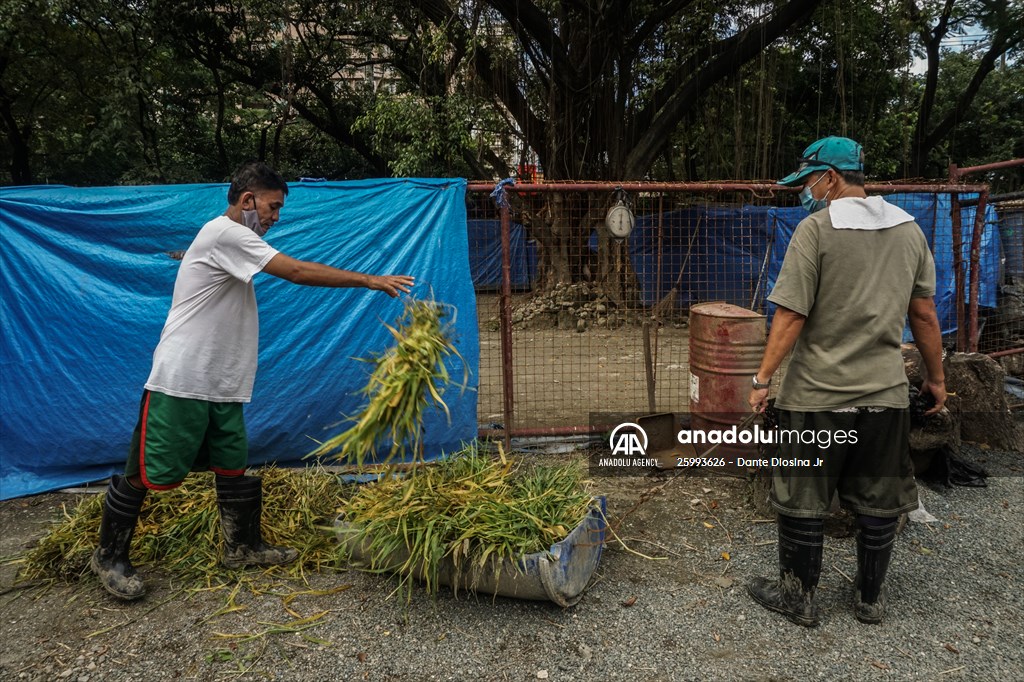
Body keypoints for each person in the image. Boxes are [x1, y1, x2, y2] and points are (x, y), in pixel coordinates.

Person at [91, 162, 414, 600]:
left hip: (222, 384)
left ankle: (241, 547)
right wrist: (369, 280)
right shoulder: (227, 233)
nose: (275, 217)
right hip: (182, 381)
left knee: (233, 467)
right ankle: (108, 555)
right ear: (247, 200)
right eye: (272, 206)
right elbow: (296, 272)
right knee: (148, 471)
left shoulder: (227, 242)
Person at [746, 136, 946, 627]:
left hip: (816, 396)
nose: (806, 191)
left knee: (803, 495)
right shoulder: (909, 232)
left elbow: (790, 314)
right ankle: (870, 599)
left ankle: (799, 598)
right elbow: (923, 314)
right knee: (878, 497)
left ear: (830, 178)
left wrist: (761, 378)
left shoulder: (815, 231)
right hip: (884, 395)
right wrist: (936, 378)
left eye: (809, 180)